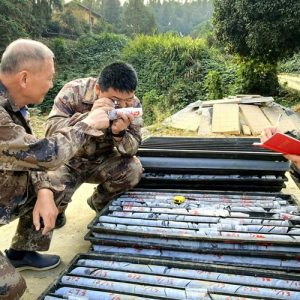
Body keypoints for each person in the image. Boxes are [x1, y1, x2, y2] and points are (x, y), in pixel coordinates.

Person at [0, 39, 110, 299]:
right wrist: (87, 123)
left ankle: (22, 252)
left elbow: (28, 155)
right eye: (49, 79)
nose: (51, 85)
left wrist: (45, 191)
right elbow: (46, 153)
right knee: (9, 288)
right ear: (24, 78)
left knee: (53, 185)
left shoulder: (13, 105)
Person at [45, 62, 143, 227]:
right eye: (115, 101)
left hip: (104, 160)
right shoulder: (74, 91)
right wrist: (88, 119)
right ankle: (58, 211)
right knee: (47, 184)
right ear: (98, 89)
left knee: (133, 169)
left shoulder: (133, 104)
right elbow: (50, 133)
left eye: (128, 100)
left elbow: (132, 149)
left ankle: (99, 201)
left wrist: (119, 134)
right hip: (69, 160)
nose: (123, 106)